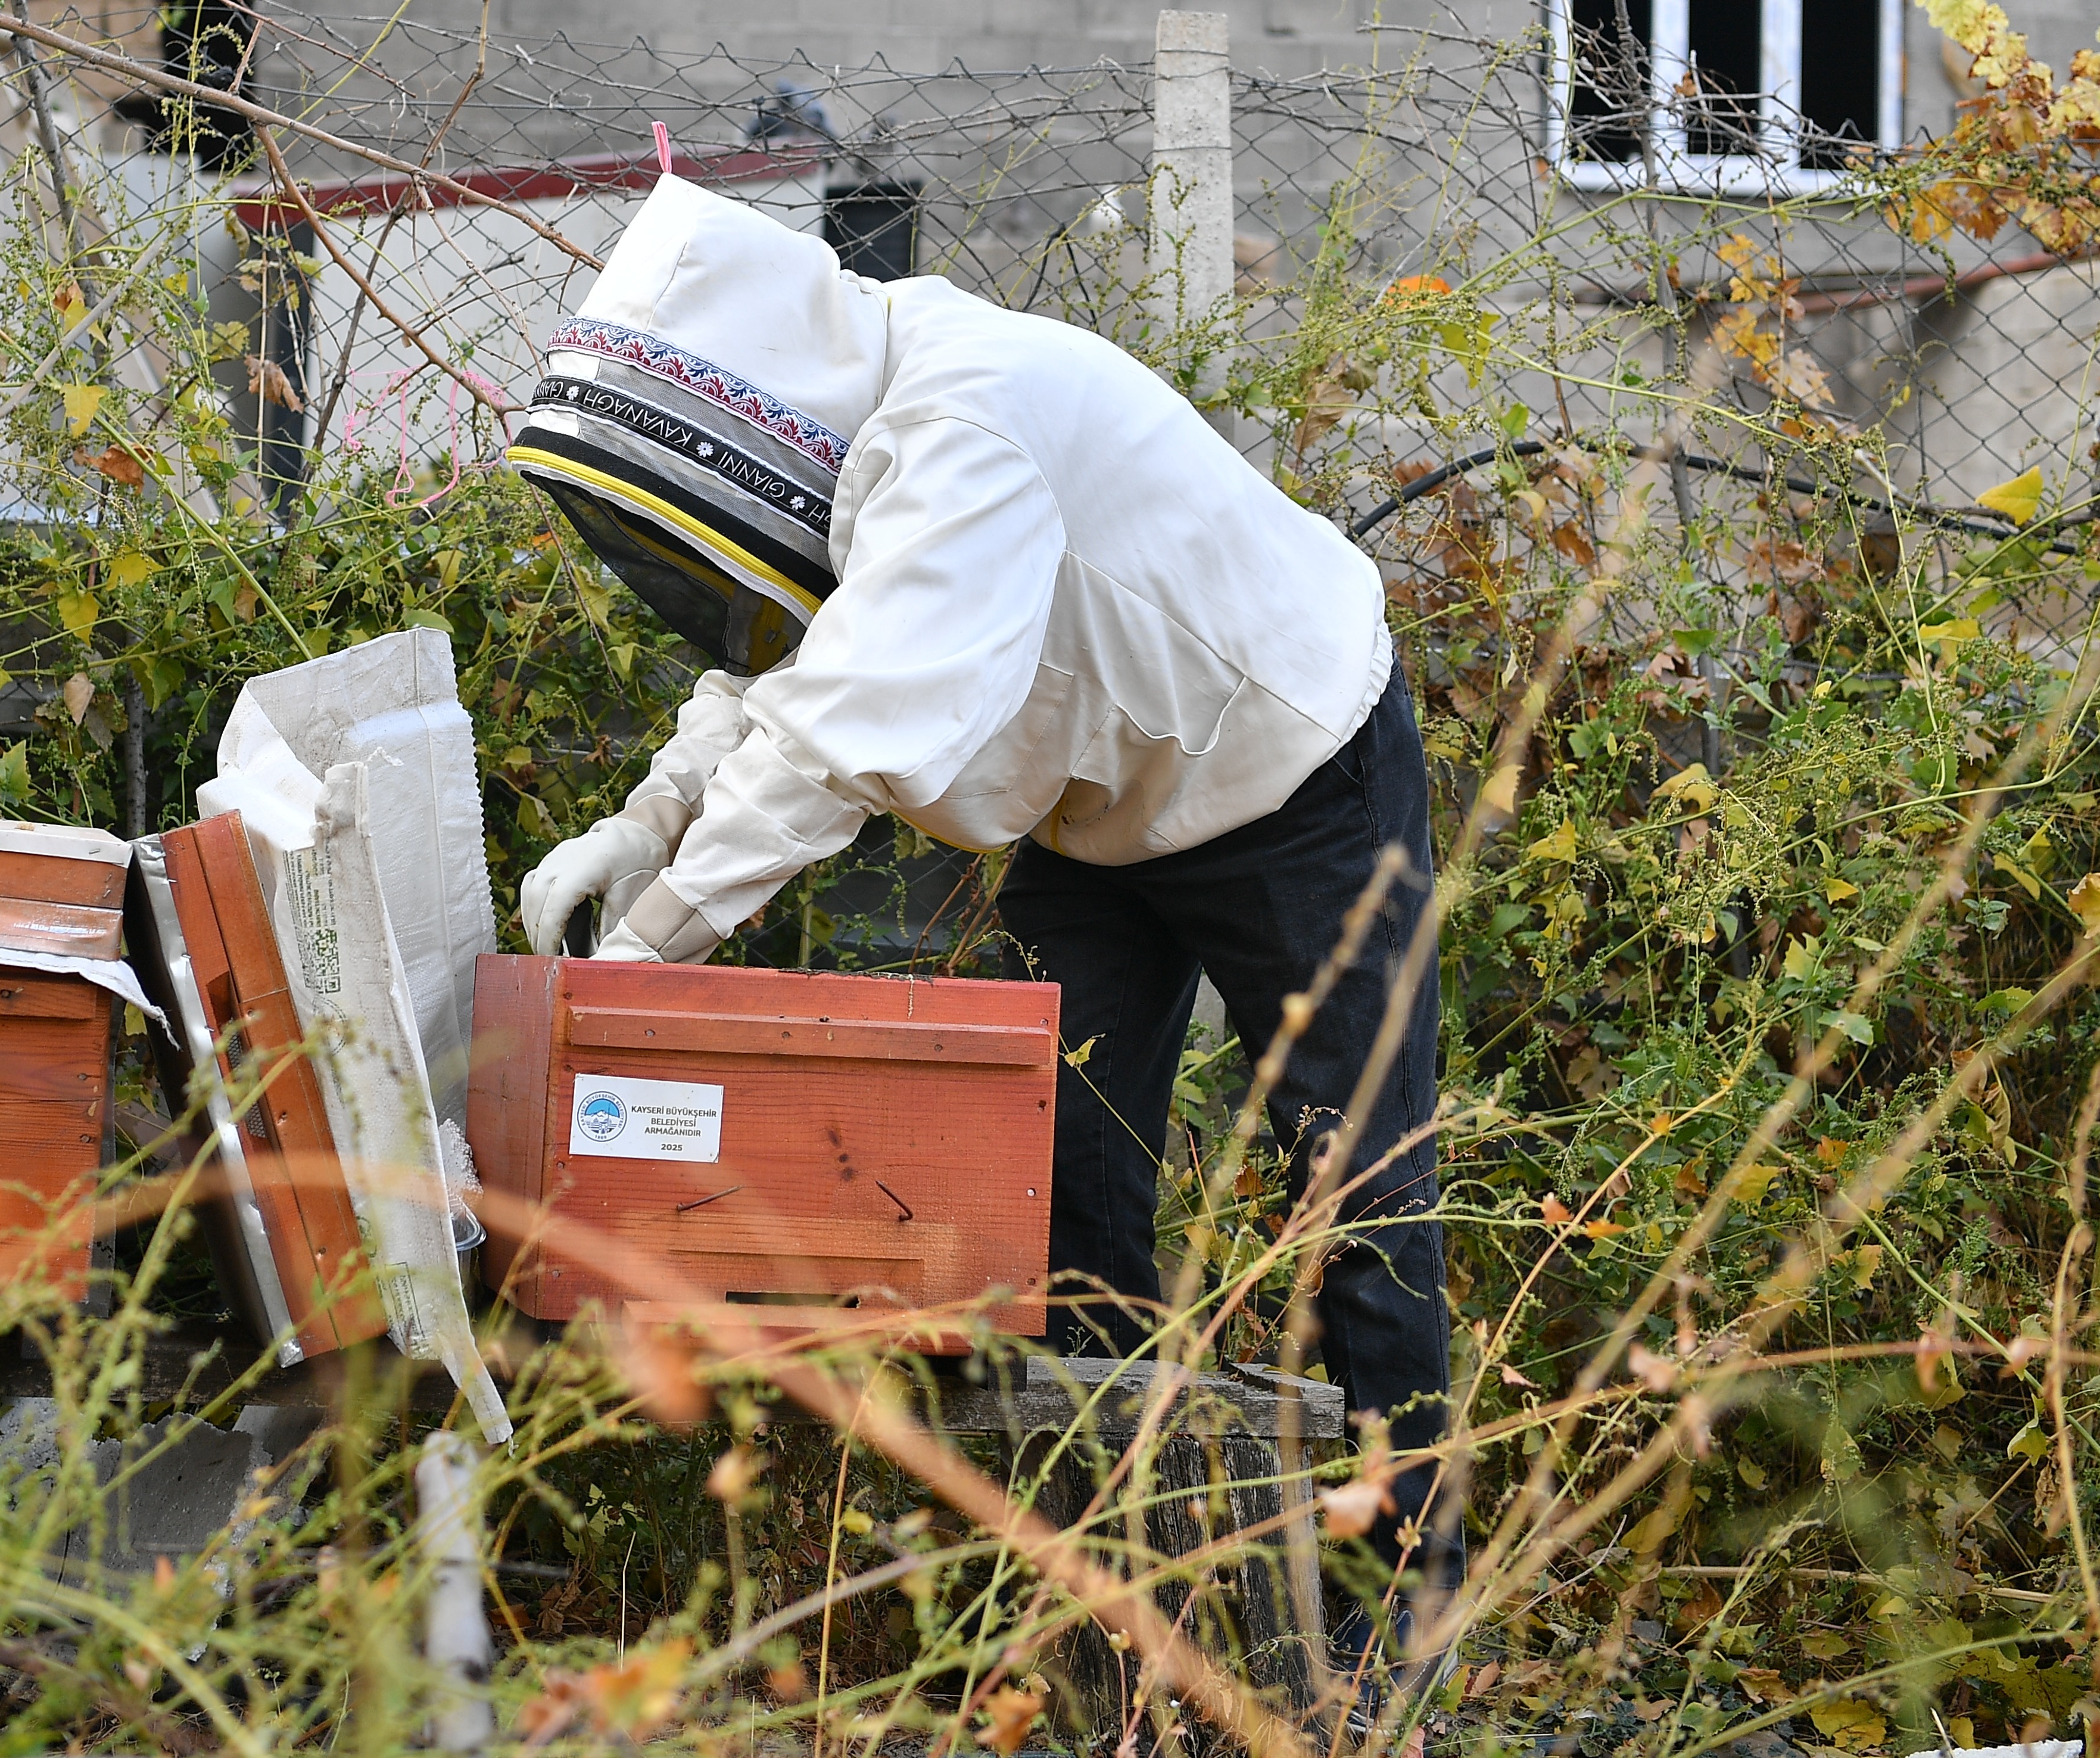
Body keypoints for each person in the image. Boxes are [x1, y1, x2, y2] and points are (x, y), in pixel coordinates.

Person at [501, 174, 1456, 1696]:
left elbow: (843, 741)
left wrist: (643, 961)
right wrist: (649, 820)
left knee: (1359, 1190)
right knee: (1067, 1198)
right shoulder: (877, 417)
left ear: (750, 393)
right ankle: (1141, 1614)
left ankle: (1397, 1641)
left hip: (1293, 776)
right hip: (1098, 816)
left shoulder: (966, 423)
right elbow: (794, 649)